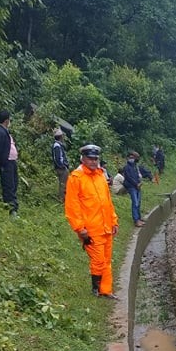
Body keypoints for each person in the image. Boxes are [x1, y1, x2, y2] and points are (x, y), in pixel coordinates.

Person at [64, 143, 119, 299]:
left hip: (106, 226)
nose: (94, 162)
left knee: (107, 260)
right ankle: (96, 289)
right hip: (90, 229)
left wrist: (114, 221)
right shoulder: (76, 178)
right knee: (98, 260)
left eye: (96, 159)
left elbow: (107, 202)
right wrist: (80, 228)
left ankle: (105, 290)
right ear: (83, 159)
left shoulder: (101, 175)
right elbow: (72, 206)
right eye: (90, 159)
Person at [0, 109, 19, 217]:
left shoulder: (4, 132)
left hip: (11, 162)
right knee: (8, 186)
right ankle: (11, 210)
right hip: (6, 163)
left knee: (13, 184)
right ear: (7, 121)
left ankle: (13, 207)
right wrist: (1, 162)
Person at [122, 151, 144, 227]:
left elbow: (138, 176)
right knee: (135, 203)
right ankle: (136, 220)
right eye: (130, 158)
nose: (131, 159)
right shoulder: (126, 167)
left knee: (139, 202)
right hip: (132, 187)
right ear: (127, 158)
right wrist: (136, 184)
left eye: (133, 158)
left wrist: (139, 182)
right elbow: (129, 177)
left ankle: (139, 218)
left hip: (138, 186)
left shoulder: (135, 166)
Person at [51, 127, 69, 203]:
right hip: (61, 168)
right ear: (60, 137)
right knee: (63, 184)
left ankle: (64, 199)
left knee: (64, 183)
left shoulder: (58, 145)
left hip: (62, 167)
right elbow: (57, 158)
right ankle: (61, 199)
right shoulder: (57, 146)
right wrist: (63, 166)